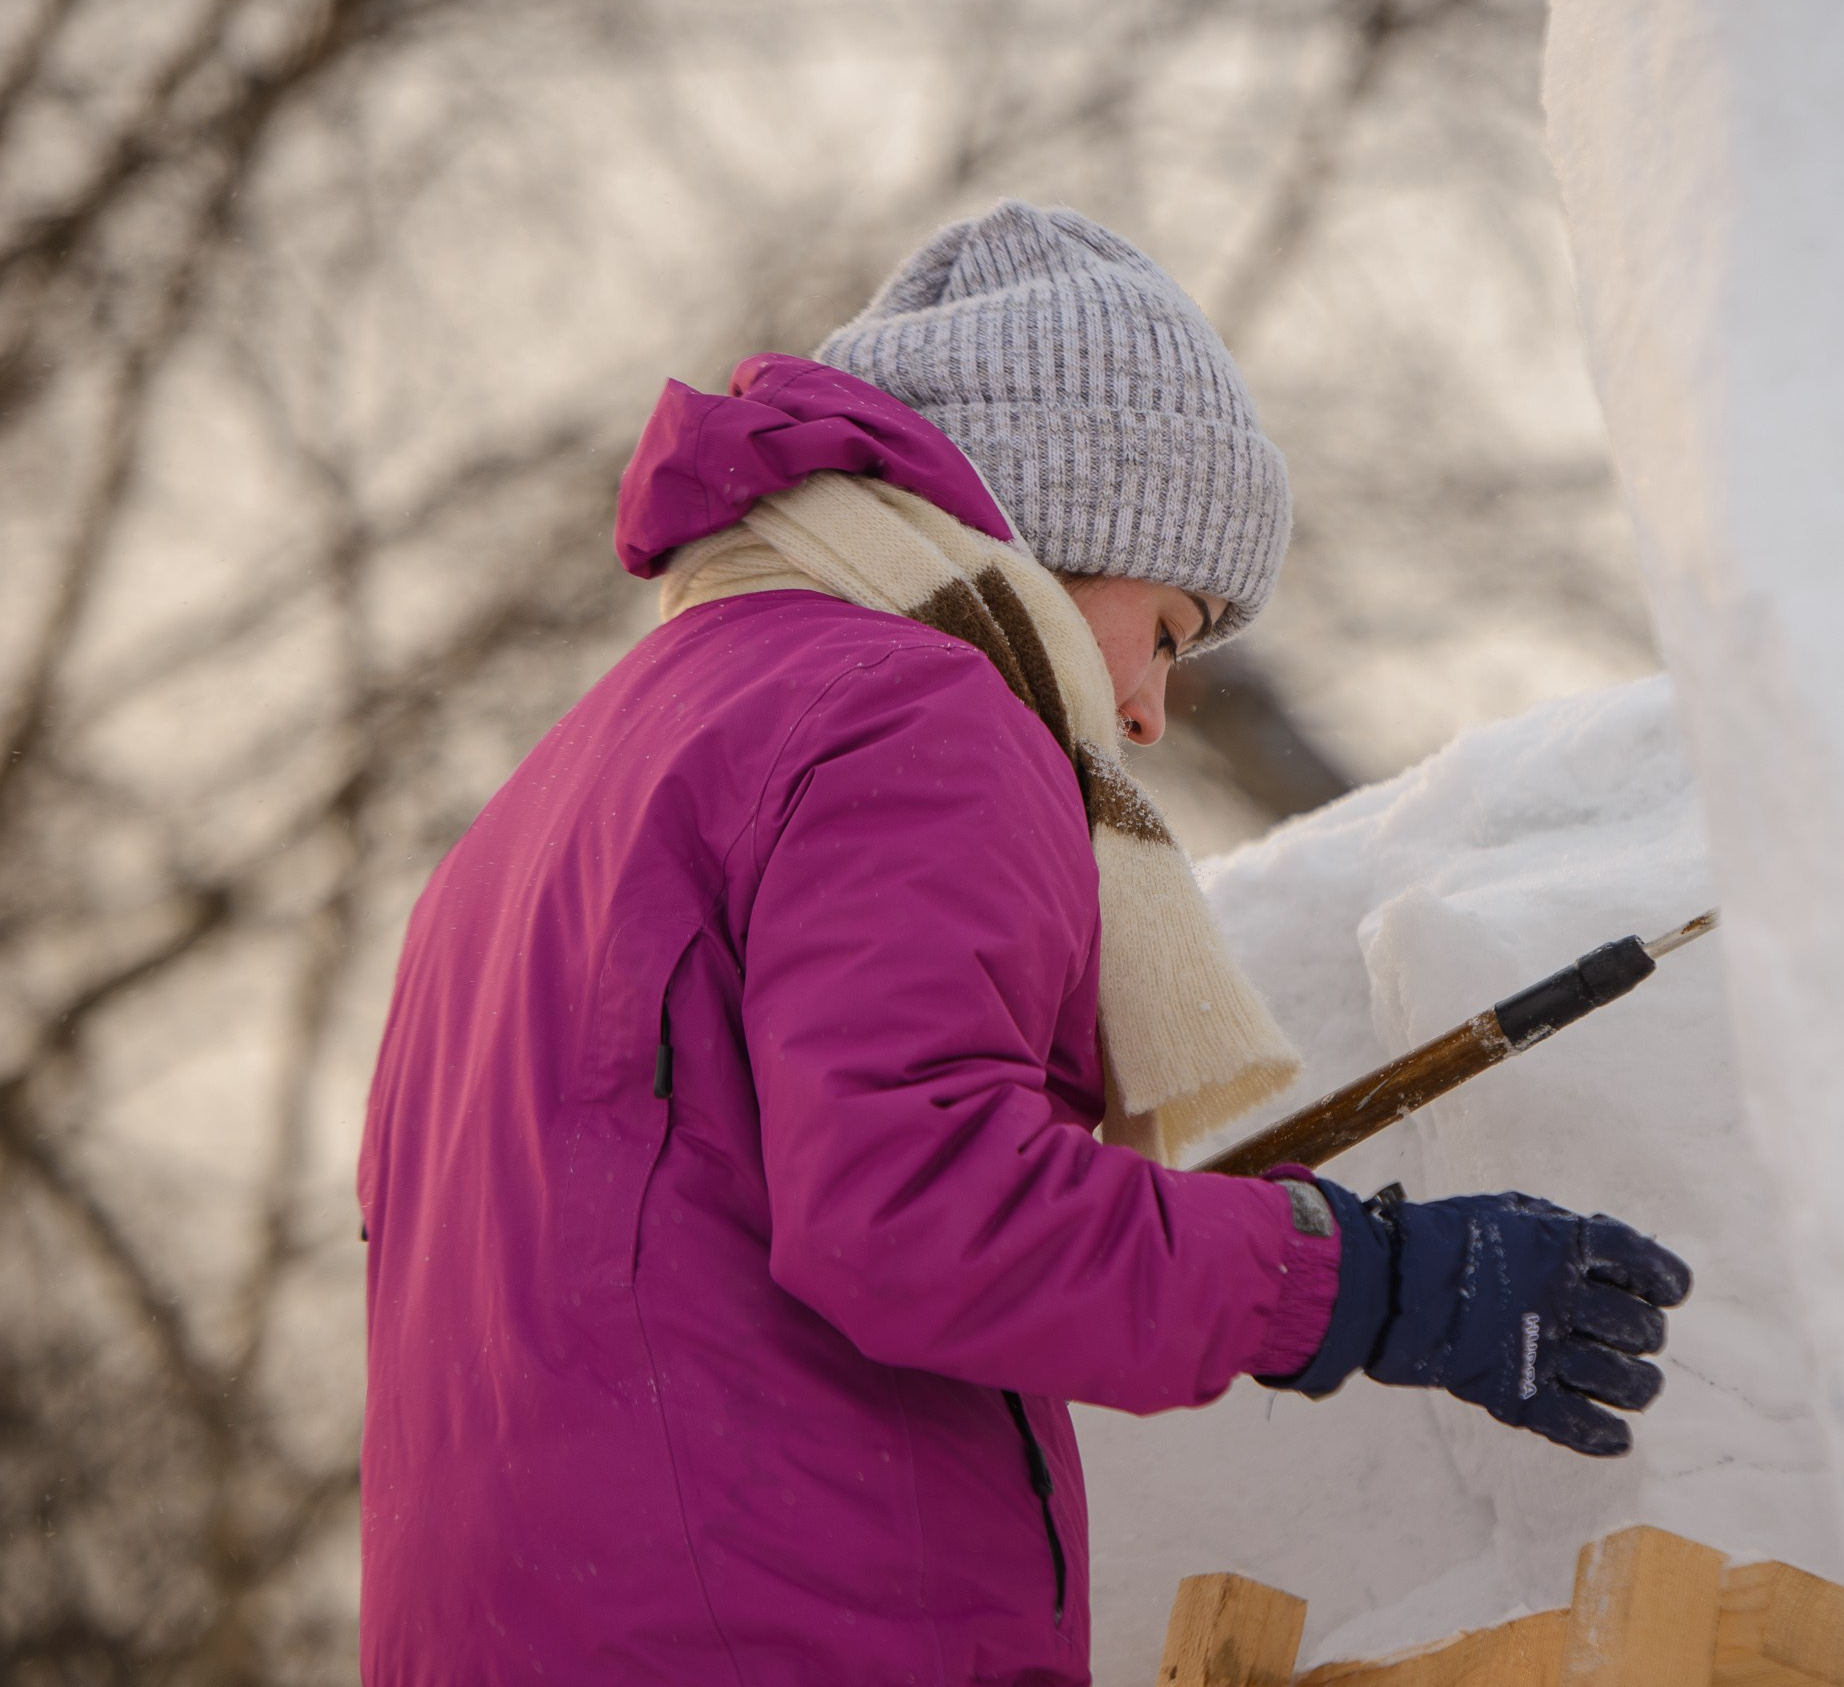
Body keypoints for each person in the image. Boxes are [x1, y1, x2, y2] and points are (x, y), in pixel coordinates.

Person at [357, 201, 1691, 1686]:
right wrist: (1362, 1279)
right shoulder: (910, 712)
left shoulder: (574, 781)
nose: (1146, 714)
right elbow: (920, 1211)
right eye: (1172, 630)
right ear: (1073, 522)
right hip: (787, 1635)